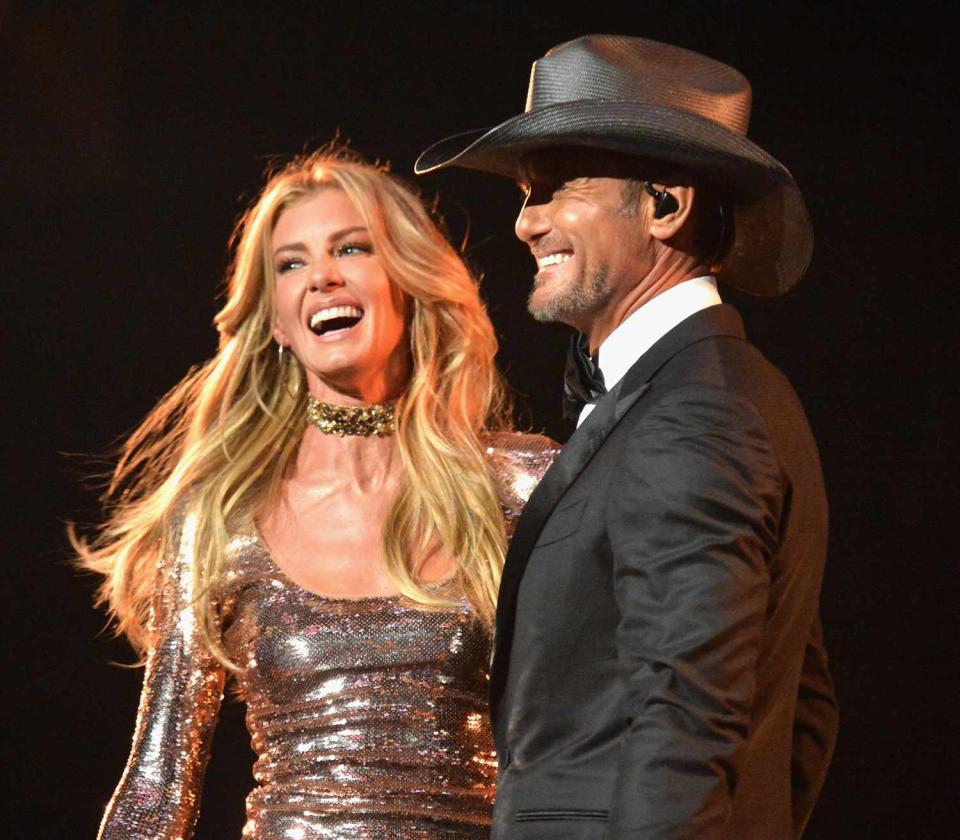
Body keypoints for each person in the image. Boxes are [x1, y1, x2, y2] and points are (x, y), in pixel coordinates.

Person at [416, 35, 838, 838]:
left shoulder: (695, 415)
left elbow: (684, 727)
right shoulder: (718, 396)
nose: (525, 223)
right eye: (525, 194)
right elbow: (805, 714)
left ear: (666, 204)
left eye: (555, 187)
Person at [74, 146, 559, 839]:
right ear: (275, 320)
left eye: (352, 248)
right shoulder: (220, 519)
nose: (322, 277)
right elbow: (158, 785)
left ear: (407, 280)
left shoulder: (518, 486)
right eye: (291, 264)